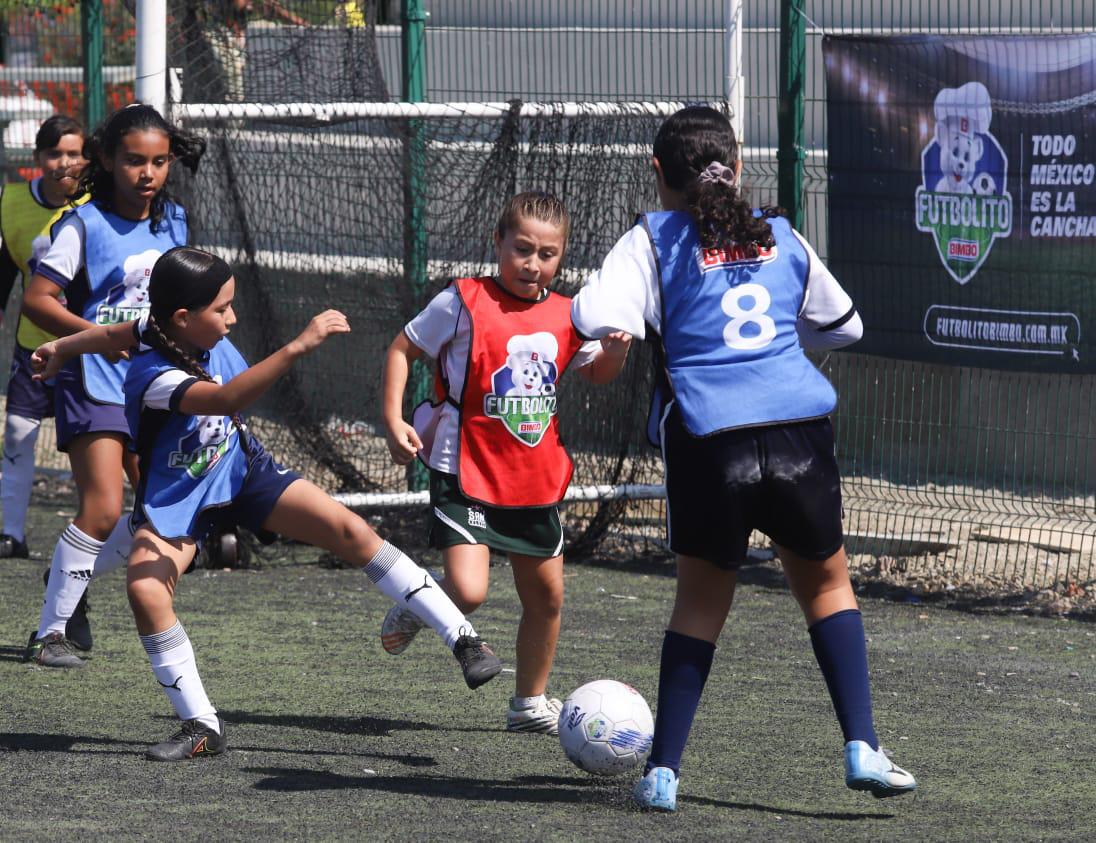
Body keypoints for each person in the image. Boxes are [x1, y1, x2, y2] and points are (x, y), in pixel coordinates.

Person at [570, 106, 917, 811]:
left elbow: (598, 320)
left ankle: (663, 771)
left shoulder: (650, 239)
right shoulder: (780, 233)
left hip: (710, 438)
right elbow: (843, 323)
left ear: (658, 172)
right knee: (826, 589)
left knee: (699, 605)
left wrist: (614, 341)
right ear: (740, 164)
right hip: (799, 432)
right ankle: (862, 746)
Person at [32, 245, 502, 760]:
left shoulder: (158, 327)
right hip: (180, 497)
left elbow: (117, 332)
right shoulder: (154, 377)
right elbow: (226, 399)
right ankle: (201, 724)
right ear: (185, 318)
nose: (233, 318)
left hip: (241, 468)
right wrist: (298, 346)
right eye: (222, 309)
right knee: (146, 590)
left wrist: (63, 348)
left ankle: (465, 640)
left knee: (352, 532)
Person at [379, 191, 632, 734]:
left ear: (562, 256)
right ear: (498, 242)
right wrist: (394, 417)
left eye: (547, 253)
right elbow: (403, 349)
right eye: (522, 249)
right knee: (469, 591)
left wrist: (614, 352)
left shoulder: (571, 313)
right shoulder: (462, 300)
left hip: (533, 479)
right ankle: (420, 603)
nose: (533, 263)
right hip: (463, 465)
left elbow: (596, 374)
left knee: (547, 598)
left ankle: (528, 705)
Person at [21, 104, 202, 668]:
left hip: (154, 386)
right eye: (133, 161)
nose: (147, 173)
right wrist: (98, 337)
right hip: (92, 380)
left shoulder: (174, 222)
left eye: (158, 162)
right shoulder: (83, 224)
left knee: (157, 513)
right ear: (104, 158)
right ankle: (50, 634)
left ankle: (68, 574)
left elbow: (186, 309)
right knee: (101, 508)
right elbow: (37, 301)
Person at [0, 116, 87, 563]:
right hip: (34, 345)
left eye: (74, 153)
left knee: (100, 445)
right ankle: (10, 533)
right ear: (37, 158)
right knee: (17, 432)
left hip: (92, 350)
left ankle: (110, 533)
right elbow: (5, 272)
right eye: (55, 153)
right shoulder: (12, 201)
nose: (64, 162)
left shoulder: (101, 205)